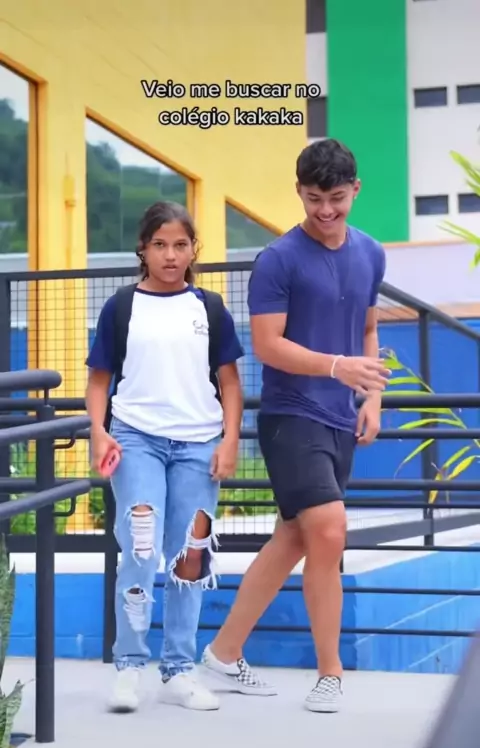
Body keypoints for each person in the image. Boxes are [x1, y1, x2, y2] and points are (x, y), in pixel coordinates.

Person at [201, 138, 390, 713]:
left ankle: (223, 653)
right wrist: (336, 367)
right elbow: (267, 344)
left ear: (355, 190)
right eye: (313, 199)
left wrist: (371, 397)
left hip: (339, 417)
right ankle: (330, 672)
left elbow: (367, 330)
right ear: (299, 193)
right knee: (329, 530)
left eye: (336, 198)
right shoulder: (277, 260)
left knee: (294, 538)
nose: (325, 210)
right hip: (290, 415)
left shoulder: (372, 252)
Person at [85, 200, 244, 713]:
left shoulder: (210, 308)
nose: (170, 255)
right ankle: (129, 667)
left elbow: (230, 383)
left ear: (193, 249)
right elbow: (99, 381)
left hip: (199, 443)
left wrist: (230, 439)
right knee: (139, 547)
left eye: (180, 245)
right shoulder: (121, 306)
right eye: (160, 245)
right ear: (143, 249)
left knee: (189, 555)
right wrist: (98, 432)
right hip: (136, 439)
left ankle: (179, 669)